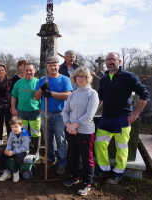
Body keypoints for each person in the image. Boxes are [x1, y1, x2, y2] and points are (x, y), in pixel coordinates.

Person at [94, 52, 149, 184]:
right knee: (99, 143)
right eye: (108, 60)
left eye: (113, 59)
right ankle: (104, 169)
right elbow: (100, 99)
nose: (109, 62)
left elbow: (144, 95)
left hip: (122, 119)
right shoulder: (104, 79)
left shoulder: (128, 76)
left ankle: (118, 172)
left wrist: (135, 115)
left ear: (119, 61)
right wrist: (91, 113)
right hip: (106, 118)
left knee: (122, 147)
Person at [62, 67, 99, 196]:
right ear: (75, 78)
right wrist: (68, 124)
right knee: (73, 154)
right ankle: (74, 176)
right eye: (78, 76)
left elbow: (89, 114)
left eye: (83, 76)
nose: (81, 78)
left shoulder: (92, 94)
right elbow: (65, 111)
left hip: (85, 131)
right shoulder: (72, 94)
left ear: (88, 78)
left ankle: (87, 182)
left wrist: (75, 125)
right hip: (71, 130)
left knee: (86, 157)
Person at [34, 56, 73, 175]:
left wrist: (51, 94)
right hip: (45, 113)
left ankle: (62, 163)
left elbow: (68, 95)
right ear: (47, 67)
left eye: (55, 65)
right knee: (48, 139)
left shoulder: (65, 79)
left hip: (60, 114)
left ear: (58, 66)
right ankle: (50, 159)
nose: (53, 67)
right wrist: (42, 89)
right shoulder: (42, 80)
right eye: (50, 65)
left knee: (61, 140)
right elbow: (36, 97)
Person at [11, 63, 41, 159]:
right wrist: (14, 108)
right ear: (23, 71)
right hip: (21, 112)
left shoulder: (38, 82)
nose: (28, 72)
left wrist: (41, 108)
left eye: (30, 70)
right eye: (26, 70)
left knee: (35, 132)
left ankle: (36, 151)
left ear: (34, 71)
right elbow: (14, 97)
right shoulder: (19, 83)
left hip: (35, 112)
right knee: (23, 132)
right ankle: (24, 150)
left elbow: (43, 96)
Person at [0, 116, 31, 183]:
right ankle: (6, 171)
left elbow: (24, 147)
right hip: (13, 150)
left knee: (18, 158)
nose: (14, 129)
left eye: (16, 126)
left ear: (21, 126)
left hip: (22, 151)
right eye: (12, 127)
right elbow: (9, 143)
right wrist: (7, 149)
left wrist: (14, 152)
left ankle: (15, 172)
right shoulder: (11, 133)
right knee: (0, 155)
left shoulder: (25, 134)